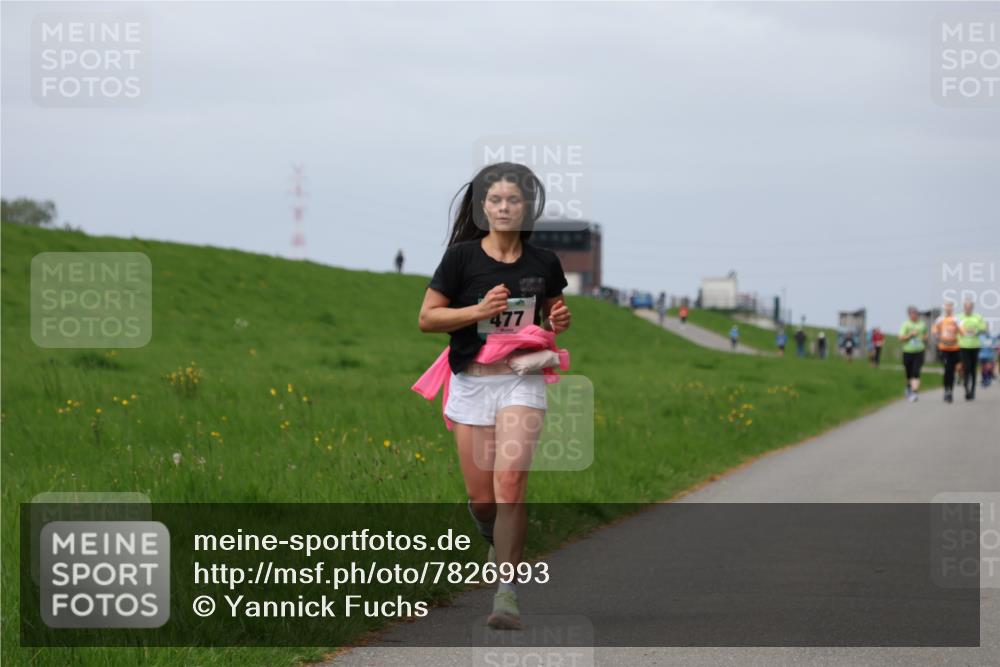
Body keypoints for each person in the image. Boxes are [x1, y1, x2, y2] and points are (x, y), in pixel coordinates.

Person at [417, 162, 571, 630]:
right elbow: (427, 318)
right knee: (482, 498)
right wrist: (478, 310)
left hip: (521, 381)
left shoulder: (544, 262)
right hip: (471, 382)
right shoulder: (462, 259)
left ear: (527, 208)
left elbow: (551, 319)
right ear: (483, 207)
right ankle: (490, 534)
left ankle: (506, 594)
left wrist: (557, 322)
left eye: (514, 201)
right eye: (496, 201)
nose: (504, 208)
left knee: (510, 488)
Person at [957, 299, 988, 400]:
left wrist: (976, 330)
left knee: (973, 369)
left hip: (975, 346)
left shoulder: (977, 317)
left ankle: (973, 391)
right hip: (963, 346)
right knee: (966, 368)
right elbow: (955, 327)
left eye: (969, 307)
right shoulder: (959, 317)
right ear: (964, 307)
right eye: (966, 307)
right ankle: (967, 390)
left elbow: (984, 327)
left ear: (972, 308)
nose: (968, 309)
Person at [932, 301, 962, 403]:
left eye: (950, 307)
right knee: (947, 369)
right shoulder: (940, 319)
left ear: (952, 309)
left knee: (952, 371)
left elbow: (963, 331)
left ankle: (950, 392)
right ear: (944, 308)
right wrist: (937, 335)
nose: (948, 309)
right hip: (944, 348)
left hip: (955, 348)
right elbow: (934, 330)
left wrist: (960, 330)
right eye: (947, 307)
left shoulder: (956, 319)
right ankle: (946, 390)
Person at [899, 306, 928, 402]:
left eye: (915, 313)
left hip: (919, 351)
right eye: (912, 313)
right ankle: (908, 387)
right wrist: (910, 334)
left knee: (916, 372)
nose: (914, 315)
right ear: (909, 314)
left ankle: (914, 392)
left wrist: (924, 338)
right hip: (908, 351)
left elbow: (926, 334)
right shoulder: (906, 324)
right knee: (909, 373)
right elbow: (901, 338)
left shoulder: (922, 324)